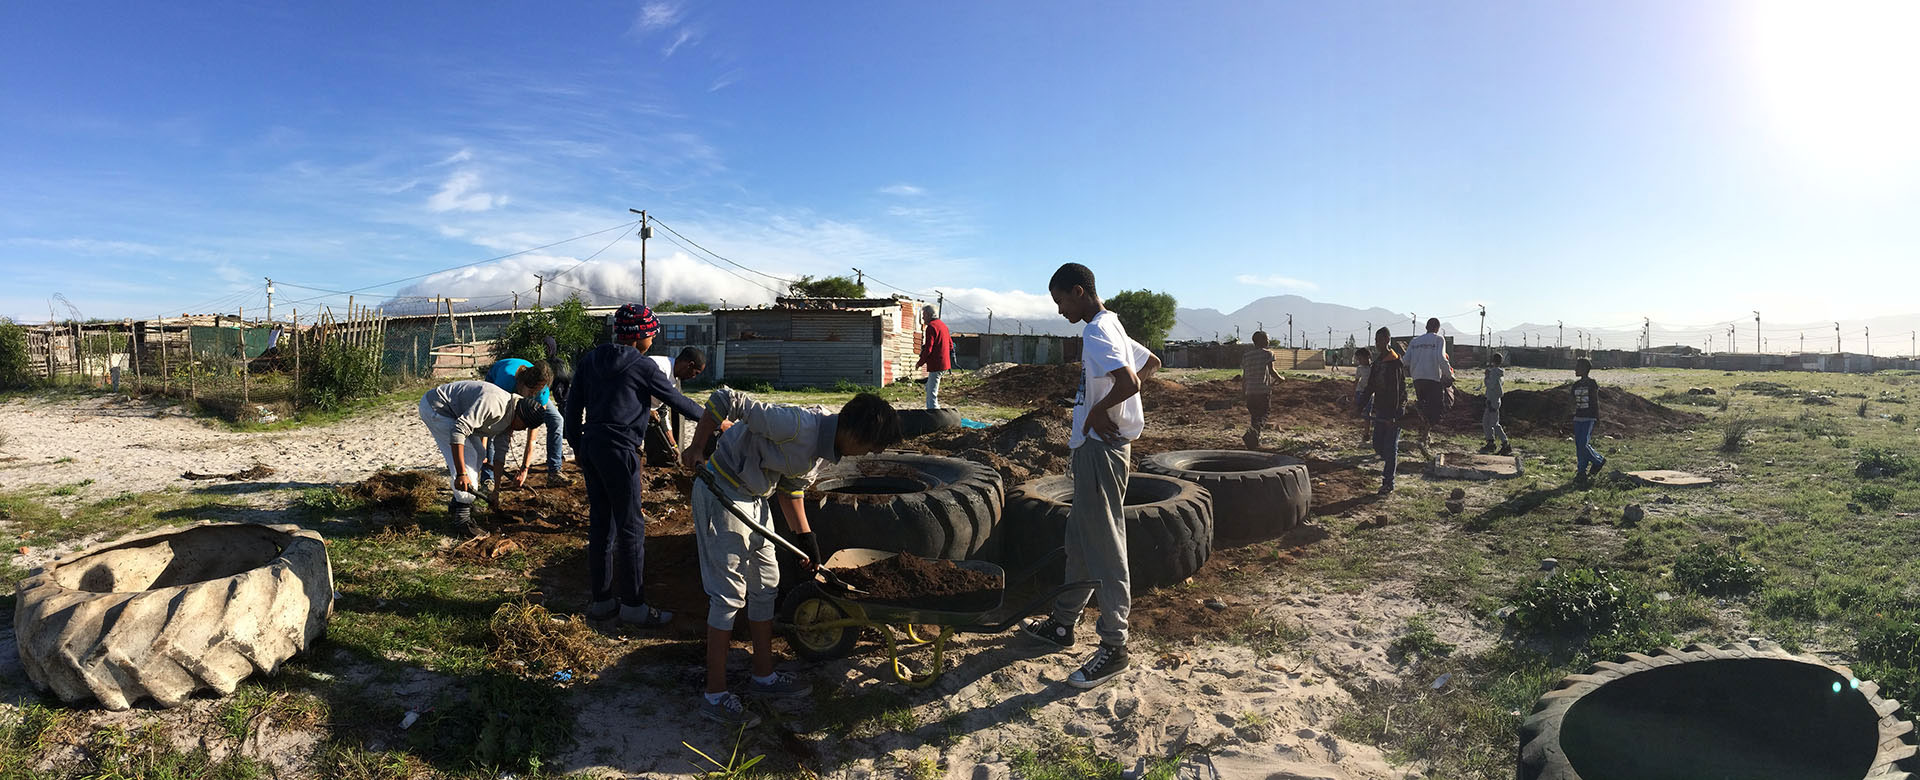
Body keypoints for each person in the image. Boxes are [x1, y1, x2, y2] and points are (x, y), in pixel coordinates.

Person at [680, 389, 903, 727]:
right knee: (728, 596)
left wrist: (806, 538)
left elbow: (790, 488)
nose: (869, 452)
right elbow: (727, 399)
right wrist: (697, 448)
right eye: (870, 445)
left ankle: (763, 676)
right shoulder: (797, 426)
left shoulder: (824, 450)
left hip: (755, 499)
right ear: (855, 432)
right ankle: (715, 695)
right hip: (722, 491)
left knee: (766, 586)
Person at [1022, 262, 1160, 691]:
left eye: (1061, 301)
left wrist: (1103, 411)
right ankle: (1063, 623)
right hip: (1098, 448)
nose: (1060, 311)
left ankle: (1114, 646)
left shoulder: (1097, 331)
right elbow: (1151, 361)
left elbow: (1132, 380)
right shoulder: (1112, 323)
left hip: (1101, 450)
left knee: (1105, 544)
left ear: (1078, 291)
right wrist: (1113, 411)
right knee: (1079, 538)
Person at [563, 304, 707, 627]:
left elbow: (572, 413)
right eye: (652, 333)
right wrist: (717, 422)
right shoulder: (642, 367)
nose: (653, 339)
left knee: (601, 525)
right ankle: (634, 607)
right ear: (639, 335)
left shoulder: (590, 360)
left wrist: (579, 449)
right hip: (622, 452)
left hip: (592, 448)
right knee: (631, 527)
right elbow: (679, 403)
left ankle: (601, 602)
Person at [418, 380, 546, 536]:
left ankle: (456, 505)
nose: (523, 429)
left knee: (479, 453)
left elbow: (499, 456)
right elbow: (458, 431)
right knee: (470, 458)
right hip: (437, 408)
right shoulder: (495, 404)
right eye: (524, 425)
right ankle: (462, 521)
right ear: (520, 416)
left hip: (454, 413)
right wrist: (461, 474)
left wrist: (496, 492)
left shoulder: (511, 416)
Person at [483, 358, 565, 488]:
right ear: (522, 384)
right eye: (531, 392)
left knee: (557, 420)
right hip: (496, 380)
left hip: (521, 385)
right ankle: (488, 478)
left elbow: (533, 427)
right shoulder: (504, 383)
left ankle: (554, 472)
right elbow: (488, 418)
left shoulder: (541, 392)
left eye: (536, 393)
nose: (533, 395)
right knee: (495, 428)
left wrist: (524, 468)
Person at [1363, 328, 1409, 495]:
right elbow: (1370, 387)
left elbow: (1398, 390)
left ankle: (1388, 482)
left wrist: (1396, 415)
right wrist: (1359, 406)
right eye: (1375, 340)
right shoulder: (1378, 363)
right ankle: (1390, 462)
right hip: (1381, 410)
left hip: (1394, 411)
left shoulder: (1395, 362)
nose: (1377, 344)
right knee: (1377, 445)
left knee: (1390, 447)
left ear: (1387, 340)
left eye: (1379, 340)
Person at [644, 346, 708, 467]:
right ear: (689, 364)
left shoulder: (673, 377)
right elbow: (679, 402)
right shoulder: (658, 367)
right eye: (695, 373)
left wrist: (672, 444)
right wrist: (709, 418)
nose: (693, 377)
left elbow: (661, 411)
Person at [1405, 318, 1455, 457]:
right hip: (1433, 378)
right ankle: (1423, 438)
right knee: (1436, 410)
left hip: (1417, 379)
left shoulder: (1415, 341)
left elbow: (1406, 360)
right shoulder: (1439, 340)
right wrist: (1449, 375)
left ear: (1426, 326)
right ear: (1437, 328)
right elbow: (1441, 358)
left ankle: (1425, 436)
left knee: (1424, 407)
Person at [1240, 331, 1282, 449]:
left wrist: (1243, 392)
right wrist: (1281, 378)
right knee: (1264, 413)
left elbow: (1244, 376)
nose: (1268, 341)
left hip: (1250, 391)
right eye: (1267, 339)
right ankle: (1251, 435)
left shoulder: (1246, 356)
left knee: (1255, 416)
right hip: (1262, 391)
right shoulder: (1268, 354)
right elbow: (1272, 371)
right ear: (1262, 341)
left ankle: (1253, 442)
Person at [1572, 357, 1606, 486]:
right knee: (1579, 445)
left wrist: (1598, 418)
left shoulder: (1592, 384)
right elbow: (1571, 403)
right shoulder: (1576, 385)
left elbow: (1595, 401)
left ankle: (1598, 460)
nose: (1575, 369)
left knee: (1583, 444)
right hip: (1578, 418)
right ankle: (1581, 472)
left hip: (1589, 417)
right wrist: (1564, 418)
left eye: (1578, 367)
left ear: (1585, 369)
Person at [917, 307, 954, 409]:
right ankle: (934, 408)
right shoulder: (943, 326)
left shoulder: (931, 327)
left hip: (937, 364)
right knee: (929, 387)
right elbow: (951, 345)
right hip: (944, 364)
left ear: (929, 315)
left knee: (932, 392)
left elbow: (928, 348)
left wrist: (920, 363)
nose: (923, 319)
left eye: (924, 316)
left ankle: (933, 412)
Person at [1481, 352, 1512, 456]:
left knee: (1494, 423)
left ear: (1493, 361)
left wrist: (1486, 377)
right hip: (1494, 399)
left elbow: (1491, 385)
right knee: (1486, 422)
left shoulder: (1494, 373)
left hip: (1492, 400)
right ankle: (1490, 442)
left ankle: (1505, 443)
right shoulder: (1499, 373)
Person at [1353, 347, 1373, 445]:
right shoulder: (1360, 368)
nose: (1359, 361)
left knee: (1367, 414)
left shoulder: (1373, 368)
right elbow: (1356, 380)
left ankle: (1366, 433)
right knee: (1360, 411)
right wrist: (1353, 392)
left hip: (1369, 393)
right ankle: (1363, 431)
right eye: (1358, 359)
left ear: (1367, 357)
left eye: (1361, 359)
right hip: (1360, 391)